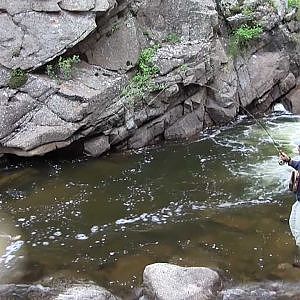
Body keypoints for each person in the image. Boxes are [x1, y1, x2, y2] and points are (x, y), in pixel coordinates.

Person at [280, 148, 300, 267]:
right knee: (292, 224)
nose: (297, 148)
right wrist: (289, 161)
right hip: (298, 202)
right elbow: (297, 164)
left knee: (299, 233)